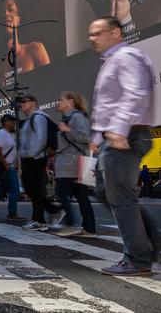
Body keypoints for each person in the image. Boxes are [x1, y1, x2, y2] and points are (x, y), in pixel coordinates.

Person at [88, 16, 161, 276]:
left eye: (97, 33)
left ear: (115, 33)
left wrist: (118, 128)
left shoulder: (127, 57)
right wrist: (97, 137)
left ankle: (137, 260)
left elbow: (135, 94)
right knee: (104, 192)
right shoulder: (112, 61)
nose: (92, 39)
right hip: (112, 138)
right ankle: (154, 240)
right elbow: (108, 104)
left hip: (126, 136)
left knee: (121, 198)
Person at [53, 91, 96, 238]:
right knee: (81, 196)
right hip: (71, 162)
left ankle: (70, 224)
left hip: (72, 162)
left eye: (61, 100)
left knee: (62, 192)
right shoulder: (68, 117)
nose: (58, 102)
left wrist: (67, 130)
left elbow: (85, 136)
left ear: (70, 101)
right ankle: (89, 229)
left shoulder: (77, 116)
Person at [18, 93, 63, 231]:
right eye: (21, 102)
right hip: (30, 158)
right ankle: (50, 212)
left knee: (33, 189)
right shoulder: (30, 119)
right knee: (32, 189)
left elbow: (41, 139)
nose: (22, 104)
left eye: (25, 101)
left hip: (35, 158)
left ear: (33, 103)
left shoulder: (38, 117)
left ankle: (40, 220)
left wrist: (30, 155)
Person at [0, 0, 50, 83]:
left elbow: (50, 81)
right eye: (2, 12)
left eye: (10, 9)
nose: (6, 14)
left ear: (18, 19)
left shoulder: (35, 49)